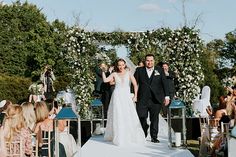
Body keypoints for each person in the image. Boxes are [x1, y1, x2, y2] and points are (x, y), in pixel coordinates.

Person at [103, 58, 146, 146]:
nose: (121, 67)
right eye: (119, 65)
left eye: (122, 65)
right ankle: (119, 137)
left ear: (125, 65)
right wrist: (103, 71)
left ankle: (130, 135)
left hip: (126, 96)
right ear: (117, 66)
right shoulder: (114, 74)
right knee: (118, 115)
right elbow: (105, 80)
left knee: (128, 114)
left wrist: (135, 96)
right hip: (117, 96)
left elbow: (135, 84)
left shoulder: (129, 73)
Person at [134, 54, 170, 143]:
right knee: (142, 117)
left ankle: (154, 137)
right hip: (142, 99)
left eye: (151, 60)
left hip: (156, 99)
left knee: (154, 118)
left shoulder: (160, 70)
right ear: (145, 61)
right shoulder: (139, 70)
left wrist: (167, 96)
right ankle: (144, 131)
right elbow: (134, 83)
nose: (149, 62)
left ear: (154, 61)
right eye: (147, 60)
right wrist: (133, 95)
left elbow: (164, 83)